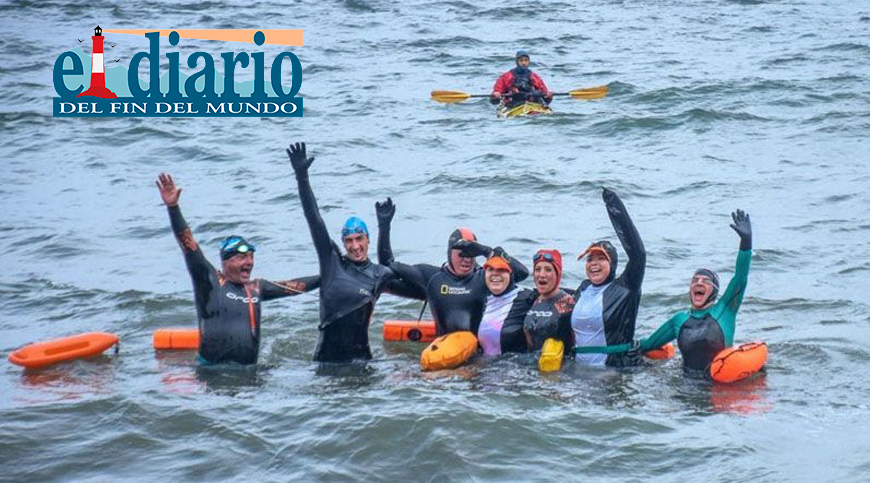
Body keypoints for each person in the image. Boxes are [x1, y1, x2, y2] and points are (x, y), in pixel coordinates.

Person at [156, 173, 318, 365]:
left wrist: (331, 275)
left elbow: (298, 287)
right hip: (213, 373)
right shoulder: (210, 280)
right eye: (242, 258)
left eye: (251, 257)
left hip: (249, 376)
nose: (249, 262)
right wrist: (173, 207)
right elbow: (187, 241)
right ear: (225, 262)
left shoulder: (256, 288)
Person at [287, 142, 417, 363]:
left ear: (367, 239)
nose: (355, 246)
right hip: (326, 362)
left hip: (362, 362)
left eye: (359, 239)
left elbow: (416, 289)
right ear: (343, 243)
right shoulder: (332, 263)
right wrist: (302, 176)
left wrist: (384, 227)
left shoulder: (379, 274)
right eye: (349, 241)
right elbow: (314, 218)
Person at [633, 210, 753, 375]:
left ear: (715, 291)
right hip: (686, 385)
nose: (699, 283)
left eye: (705, 281)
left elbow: (740, 277)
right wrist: (627, 346)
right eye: (695, 280)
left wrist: (746, 243)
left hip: (717, 384)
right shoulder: (679, 320)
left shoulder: (725, 310)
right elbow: (649, 344)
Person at [379, 210, 529, 337]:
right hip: (445, 356)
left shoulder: (485, 278)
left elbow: (522, 273)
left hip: (479, 358)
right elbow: (387, 267)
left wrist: (487, 251)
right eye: (461, 254)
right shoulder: (431, 277)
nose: (467, 259)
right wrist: (384, 227)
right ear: (449, 252)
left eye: (471, 253)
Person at [570, 188, 646, 368]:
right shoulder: (583, 289)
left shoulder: (626, 288)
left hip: (613, 372)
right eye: (590, 259)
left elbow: (638, 255)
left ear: (612, 263)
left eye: (601, 258)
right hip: (578, 372)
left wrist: (614, 207)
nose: (594, 263)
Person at [477, 250, 535, 356]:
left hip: (515, 368)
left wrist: (488, 250)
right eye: (490, 269)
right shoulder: (482, 300)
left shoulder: (526, 297)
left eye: (501, 270)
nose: (495, 273)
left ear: (511, 275)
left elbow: (553, 293)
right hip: (484, 366)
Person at [523, 249, 576, 351]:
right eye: (537, 269)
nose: (542, 275)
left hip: (562, 365)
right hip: (531, 364)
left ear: (558, 275)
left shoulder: (568, 303)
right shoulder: (532, 300)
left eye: (548, 270)